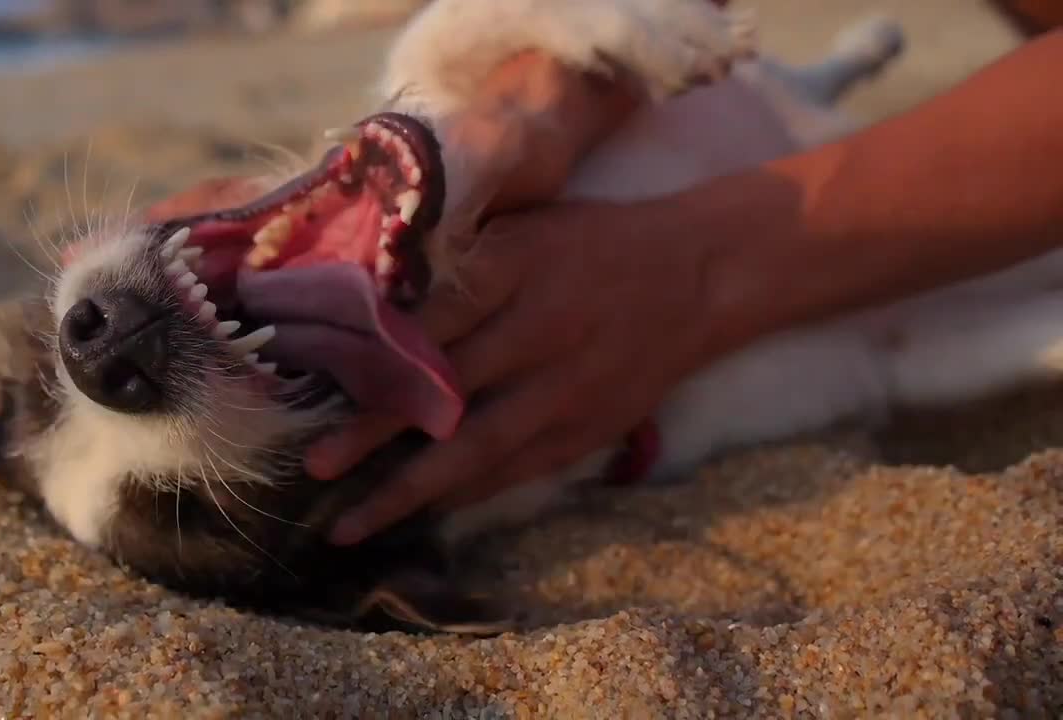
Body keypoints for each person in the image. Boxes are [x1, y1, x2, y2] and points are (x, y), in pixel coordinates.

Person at [148, 28, 1063, 547]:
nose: (103, 361)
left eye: (50, 370)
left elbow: (669, 24)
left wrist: (529, 94)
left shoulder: (436, 78)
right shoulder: (680, 441)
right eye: (187, 508)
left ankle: (827, 73)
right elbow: (888, 362)